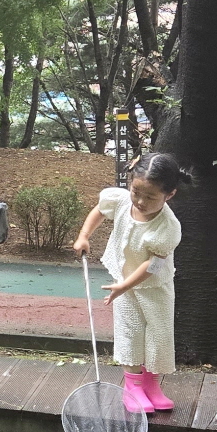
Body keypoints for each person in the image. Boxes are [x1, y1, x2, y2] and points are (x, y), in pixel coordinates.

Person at [72, 152, 189, 413]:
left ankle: (152, 385)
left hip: (154, 286)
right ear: (131, 180)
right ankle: (133, 387)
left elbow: (154, 265)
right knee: (130, 331)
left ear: (169, 194)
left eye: (150, 197)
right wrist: (84, 236)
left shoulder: (167, 227)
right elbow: (99, 211)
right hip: (122, 281)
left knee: (158, 333)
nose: (140, 200)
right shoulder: (122, 200)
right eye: (136, 191)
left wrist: (124, 286)